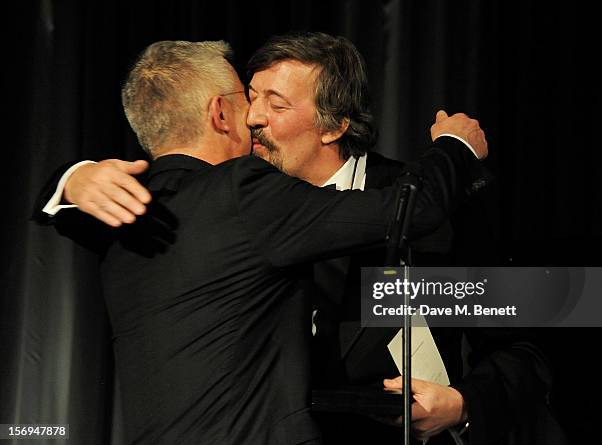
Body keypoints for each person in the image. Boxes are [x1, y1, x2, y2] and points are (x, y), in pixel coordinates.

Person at [35, 38, 488, 445]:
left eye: (276, 104)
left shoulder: (428, 204)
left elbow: (531, 315)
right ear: (220, 113)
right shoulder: (216, 198)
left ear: (333, 126)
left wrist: (466, 406)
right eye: (249, 100)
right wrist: (75, 179)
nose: (253, 119)